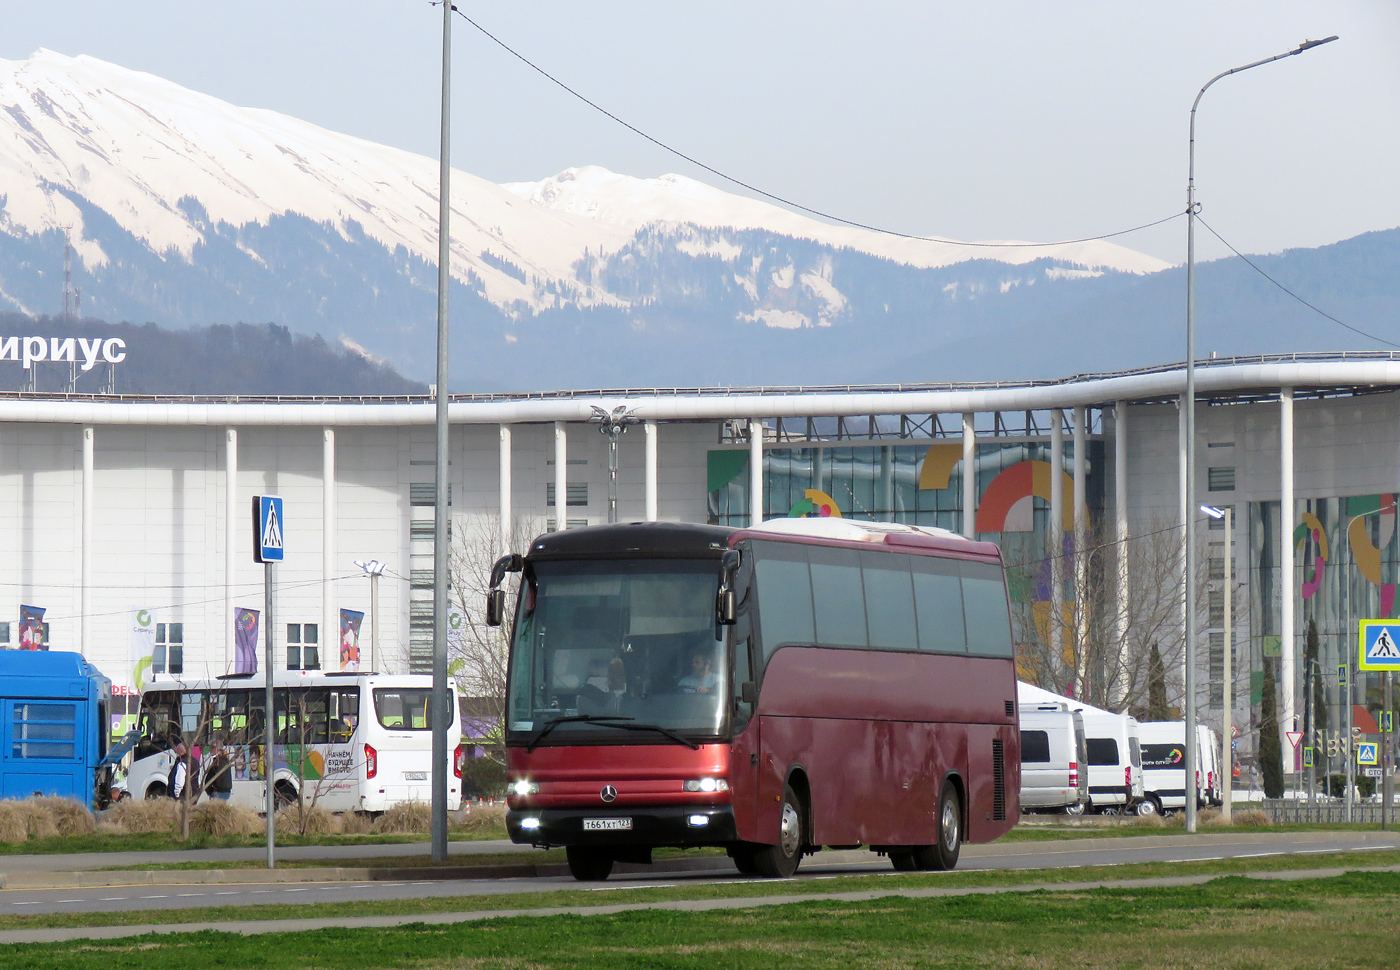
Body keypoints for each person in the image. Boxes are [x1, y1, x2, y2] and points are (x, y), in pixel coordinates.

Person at [203, 734, 233, 801]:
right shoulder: (225, 760)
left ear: (215, 748)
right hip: (224, 791)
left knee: (214, 810)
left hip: (218, 792)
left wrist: (213, 790)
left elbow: (217, 777)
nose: (210, 750)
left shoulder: (219, 761)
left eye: (211, 747)